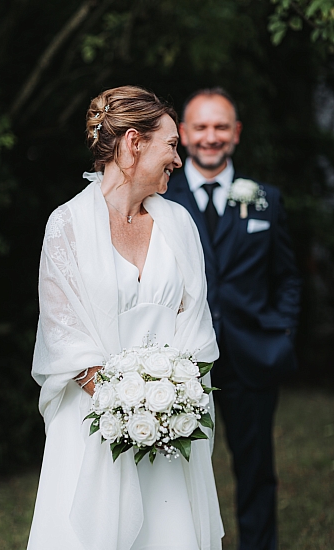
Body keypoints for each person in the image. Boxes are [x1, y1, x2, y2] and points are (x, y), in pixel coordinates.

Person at [27, 85, 224, 550]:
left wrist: (168, 407)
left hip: (170, 432)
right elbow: (65, 336)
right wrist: (129, 408)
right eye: (171, 145)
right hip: (93, 426)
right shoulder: (67, 225)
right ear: (134, 143)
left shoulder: (178, 224)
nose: (178, 159)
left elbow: (195, 324)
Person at [164, 88, 301, 550]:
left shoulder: (265, 199)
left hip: (252, 353)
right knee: (173, 471)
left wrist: (282, 333)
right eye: (200, 127)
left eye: (220, 126)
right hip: (182, 361)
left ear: (236, 133)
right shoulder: (163, 198)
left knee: (257, 469)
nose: (210, 137)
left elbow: (287, 277)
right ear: (182, 134)